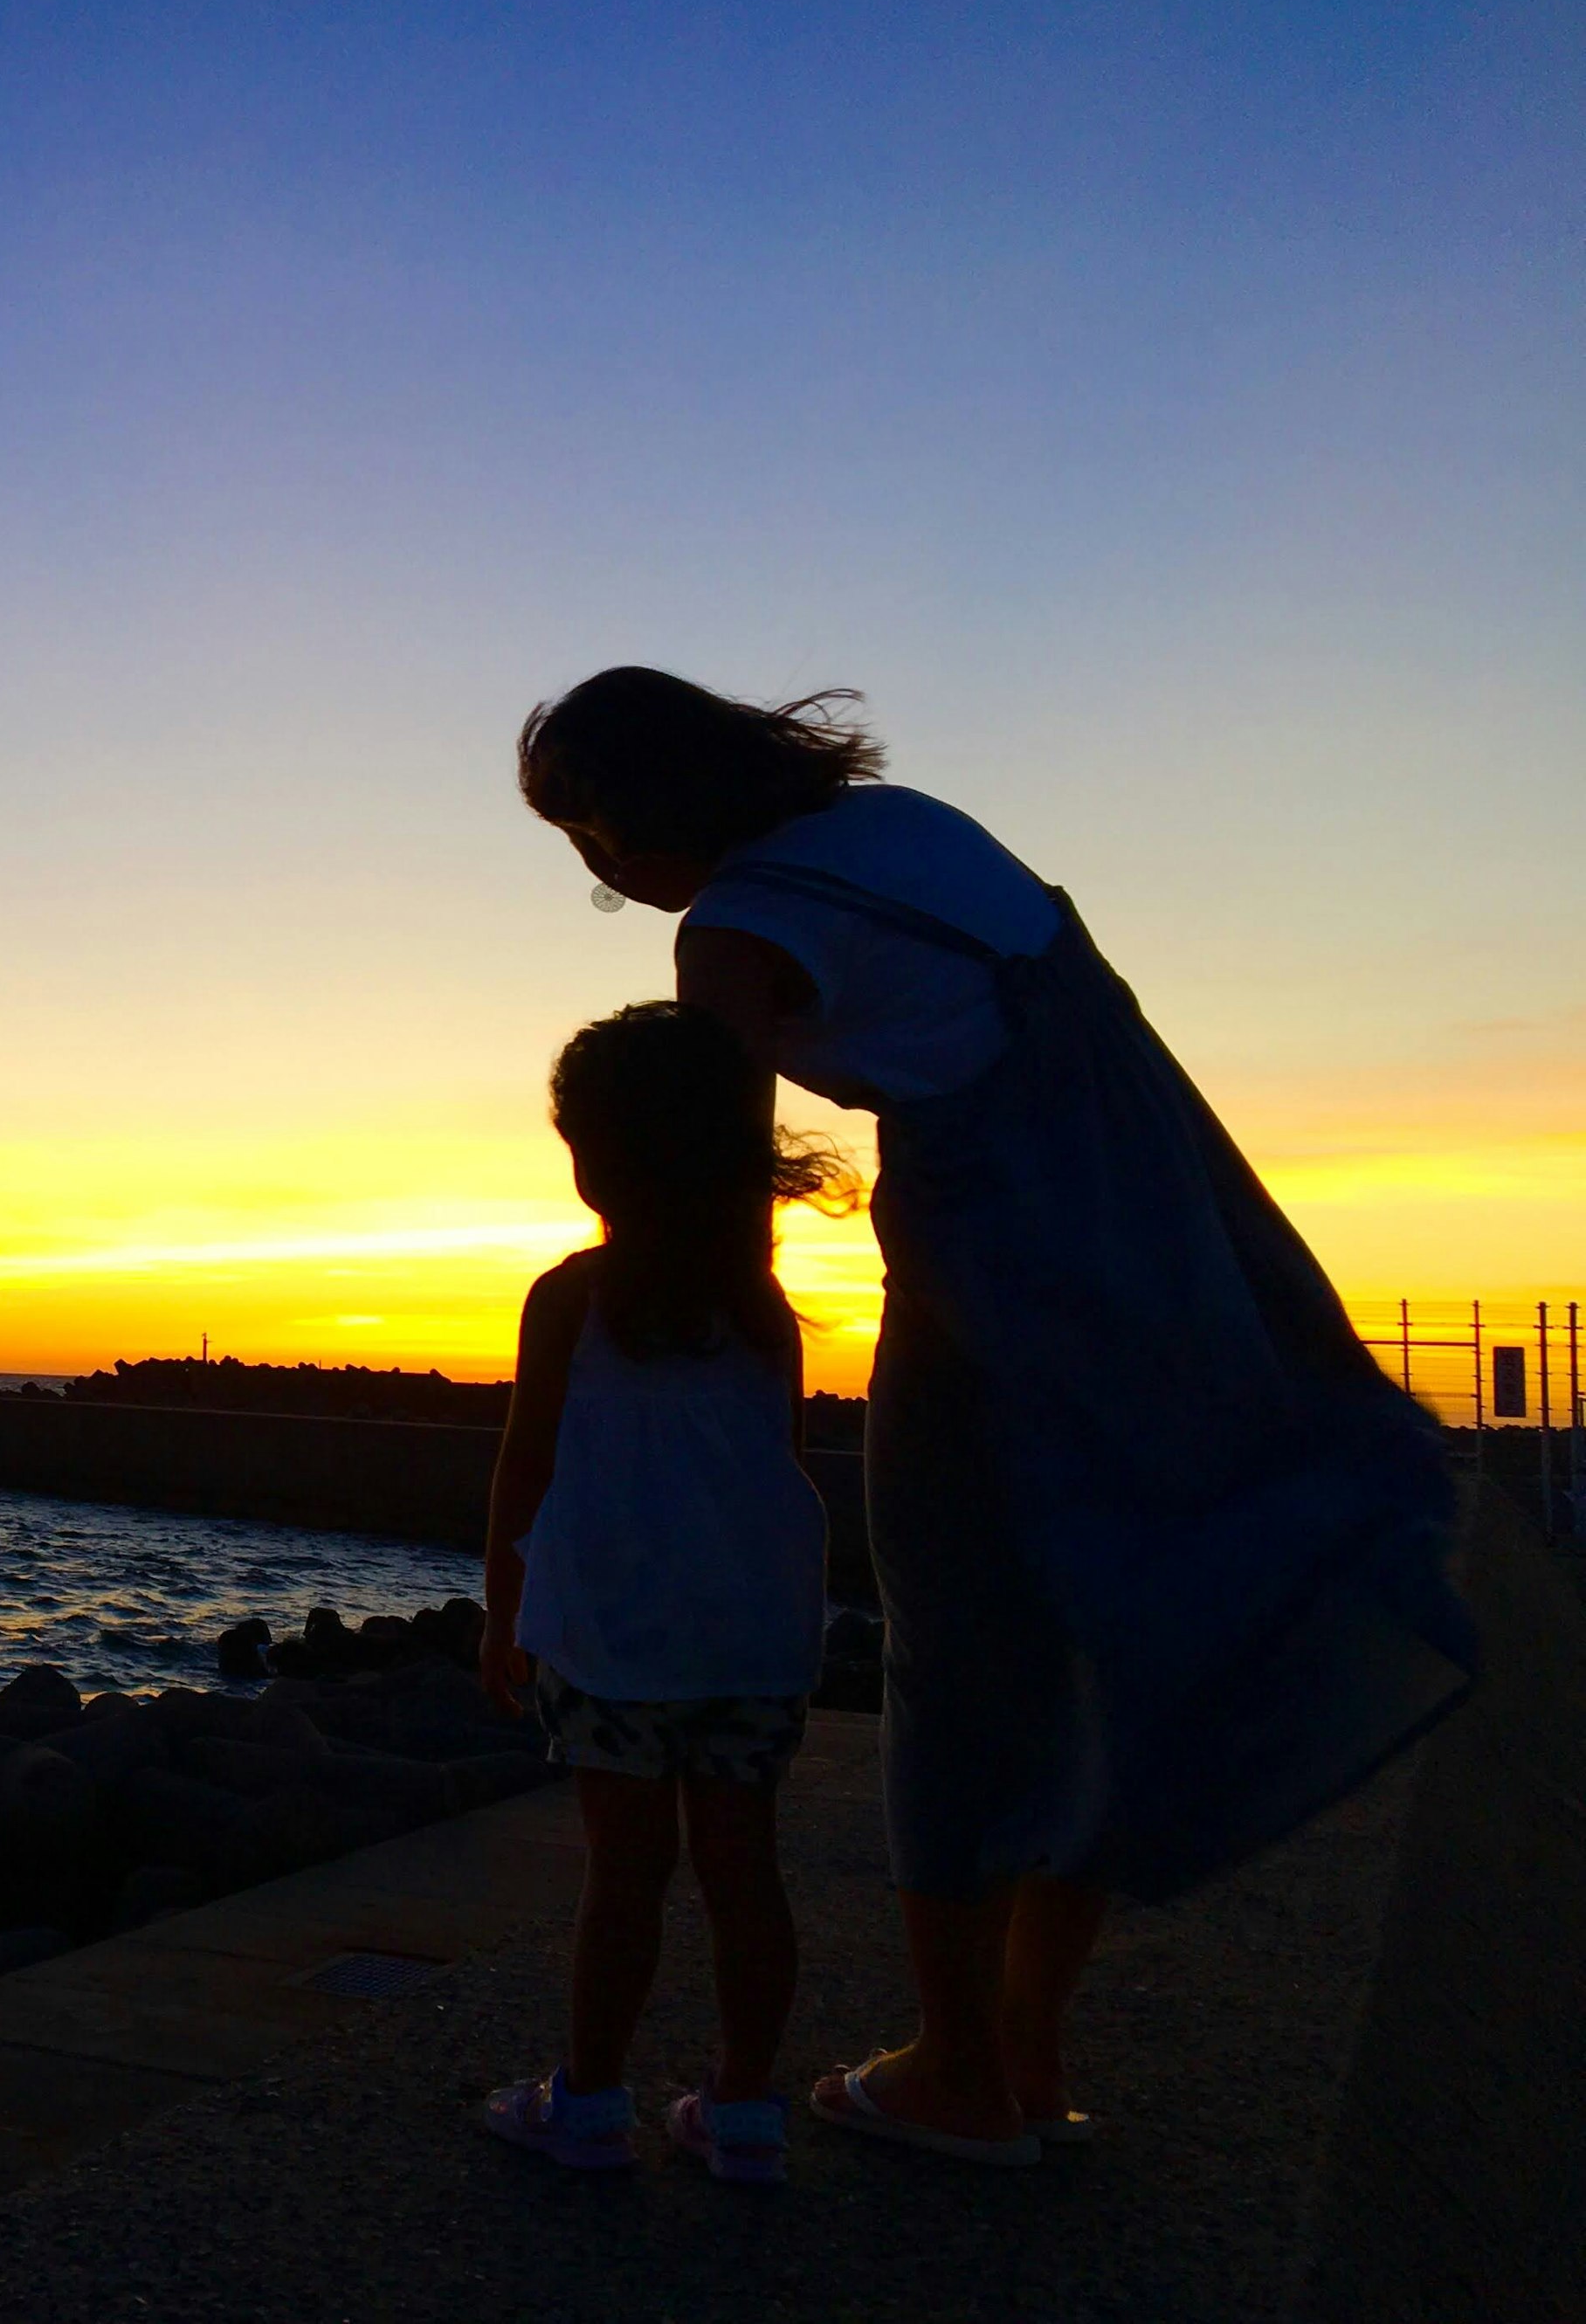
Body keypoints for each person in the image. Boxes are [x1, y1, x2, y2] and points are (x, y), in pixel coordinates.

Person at [515, 666, 1476, 2164]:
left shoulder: (733, 930)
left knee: (959, 1631)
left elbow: (712, 1189)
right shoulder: (903, 824)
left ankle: (962, 2071)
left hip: (999, 1242)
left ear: (649, 805)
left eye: (591, 832)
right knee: (1095, 1596)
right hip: (1156, 1202)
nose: (599, 873)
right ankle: (1025, 2062)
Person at [478, 1002, 847, 2186]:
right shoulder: (763, 1312)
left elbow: (525, 1467)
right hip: (752, 1632)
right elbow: (771, 1464)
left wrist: (502, 1612)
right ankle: (743, 2114)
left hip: (614, 1633)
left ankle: (587, 2102)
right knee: (747, 1872)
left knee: (622, 1877)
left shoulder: (571, 1300)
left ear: (612, 1155)